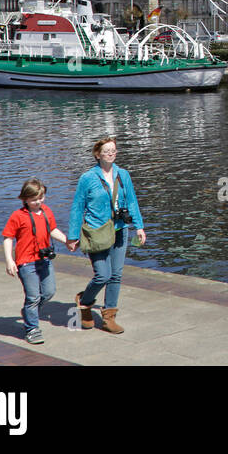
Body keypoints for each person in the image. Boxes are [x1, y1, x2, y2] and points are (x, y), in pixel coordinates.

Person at [65, 138, 146, 334]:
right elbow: (78, 207)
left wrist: (139, 227)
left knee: (116, 275)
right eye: (107, 151)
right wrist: (73, 236)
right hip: (97, 232)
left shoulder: (123, 175)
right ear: (97, 154)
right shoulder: (87, 178)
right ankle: (84, 303)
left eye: (114, 151)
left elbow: (132, 201)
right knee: (103, 275)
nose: (111, 154)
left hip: (119, 229)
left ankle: (109, 318)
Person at [1, 179, 69, 345]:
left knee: (49, 292)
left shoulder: (46, 211)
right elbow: (8, 238)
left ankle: (28, 313)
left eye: (41, 197)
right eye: (33, 199)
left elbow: (52, 230)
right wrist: (10, 260)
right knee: (33, 296)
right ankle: (32, 328)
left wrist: (67, 241)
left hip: (44, 260)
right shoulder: (18, 216)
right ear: (24, 199)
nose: (38, 202)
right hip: (26, 262)